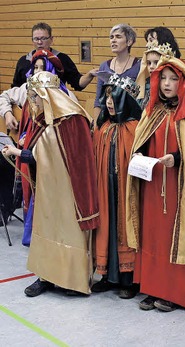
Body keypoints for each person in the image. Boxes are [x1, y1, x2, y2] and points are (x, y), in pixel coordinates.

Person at [2, 71, 99, 297]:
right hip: (48, 188)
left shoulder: (72, 119)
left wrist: (19, 151)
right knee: (46, 228)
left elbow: (60, 155)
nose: (32, 103)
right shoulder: (43, 119)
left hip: (71, 191)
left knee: (69, 232)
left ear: (47, 96)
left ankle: (72, 280)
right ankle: (45, 276)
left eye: (35, 97)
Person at [125, 56, 185, 312]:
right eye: (163, 78)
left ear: (182, 82)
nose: (167, 84)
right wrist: (137, 154)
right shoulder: (152, 111)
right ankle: (151, 289)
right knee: (152, 237)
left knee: (175, 236)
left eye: (173, 79)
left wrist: (177, 158)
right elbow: (141, 140)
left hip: (177, 187)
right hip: (152, 184)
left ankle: (175, 292)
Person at [91, 75, 142, 299]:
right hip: (105, 189)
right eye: (107, 97)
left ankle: (128, 278)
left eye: (115, 97)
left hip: (126, 190)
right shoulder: (103, 127)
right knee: (107, 227)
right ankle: (106, 275)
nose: (109, 102)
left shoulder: (134, 128)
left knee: (124, 227)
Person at [12, 22, 96, 91]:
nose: (39, 42)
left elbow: (78, 83)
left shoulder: (62, 59)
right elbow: (15, 89)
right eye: (36, 39)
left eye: (43, 38)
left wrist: (89, 75)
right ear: (32, 41)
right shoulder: (23, 61)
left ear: (51, 39)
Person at [93, 24, 141, 118]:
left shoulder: (139, 66)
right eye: (111, 37)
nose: (113, 40)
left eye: (118, 37)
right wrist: (96, 125)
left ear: (129, 41)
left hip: (131, 120)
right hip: (107, 120)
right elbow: (98, 100)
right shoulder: (104, 66)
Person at [135, 42, 176, 109]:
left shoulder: (168, 87)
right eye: (149, 63)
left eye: (156, 62)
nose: (151, 66)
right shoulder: (145, 88)